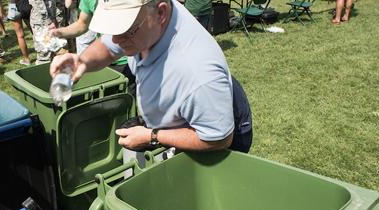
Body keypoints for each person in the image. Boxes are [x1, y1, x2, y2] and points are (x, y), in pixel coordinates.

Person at [50, 0, 252, 154]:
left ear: (161, 13)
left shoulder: (197, 72)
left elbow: (218, 138)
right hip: (186, 113)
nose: (116, 39)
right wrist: (82, 62)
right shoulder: (146, 25)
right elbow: (109, 48)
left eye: (125, 30)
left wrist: (153, 136)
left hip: (213, 126)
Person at [6, 0, 32, 65]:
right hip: (25, 4)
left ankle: (26, 59)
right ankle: (43, 54)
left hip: (13, 6)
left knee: (20, 36)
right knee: (34, 32)